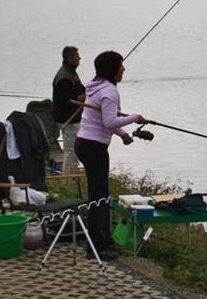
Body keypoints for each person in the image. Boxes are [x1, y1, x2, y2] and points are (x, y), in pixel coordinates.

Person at [75, 51, 147, 261]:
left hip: (85, 143)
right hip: (94, 147)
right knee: (99, 198)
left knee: (101, 195)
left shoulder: (95, 86)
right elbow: (109, 122)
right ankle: (96, 247)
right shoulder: (109, 92)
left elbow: (104, 119)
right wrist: (134, 118)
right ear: (112, 69)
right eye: (120, 66)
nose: (123, 69)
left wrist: (123, 134)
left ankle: (103, 240)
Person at [52, 46, 85, 174]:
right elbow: (65, 101)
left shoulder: (71, 72)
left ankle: (72, 174)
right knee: (71, 150)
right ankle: (69, 177)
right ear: (69, 58)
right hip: (68, 120)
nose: (79, 58)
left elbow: (81, 89)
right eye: (77, 56)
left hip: (74, 118)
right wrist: (83, 98)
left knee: (76, 148)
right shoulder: (64, 77)